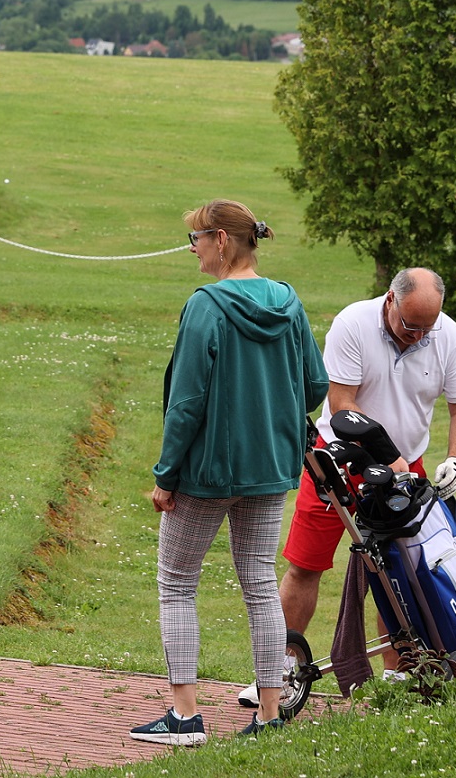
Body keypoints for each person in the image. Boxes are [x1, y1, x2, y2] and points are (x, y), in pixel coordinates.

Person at [129, 200, 328, 747]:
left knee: (176, 583)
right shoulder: (288, 302)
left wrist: (166, 475)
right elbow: (315, 386)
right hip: (270, 470)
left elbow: (186, 402)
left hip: (207, 473)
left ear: (221, 239)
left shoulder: (207, 307)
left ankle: (185, 716)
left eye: (195, 238)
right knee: (260, 585)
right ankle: (268, 715)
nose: (191, 247)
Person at [237, 266, 456, 704]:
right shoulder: (353, 323)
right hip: (339, 464)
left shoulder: (449, 336)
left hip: (408, 465)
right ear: (390, 300)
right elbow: (341, 405)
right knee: (305, 565)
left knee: (402, 571)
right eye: (410, 325)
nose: (418, 336)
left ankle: (399, 674)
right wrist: (388, 459)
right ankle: (275, 675)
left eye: (428, 327)